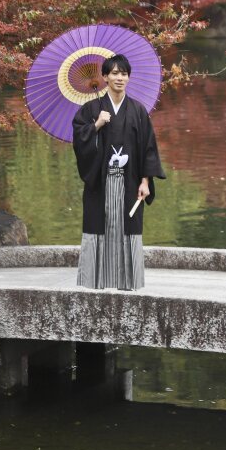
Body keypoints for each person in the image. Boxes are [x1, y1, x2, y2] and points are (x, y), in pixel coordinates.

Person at [72, 54, 165, 290]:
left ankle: (128, 282)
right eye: (114, 73)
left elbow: (148, 147)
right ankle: (96, 282)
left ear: (128, 77)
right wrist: (96, 125)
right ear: (104, 77)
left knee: (128, 228)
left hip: (130, 182)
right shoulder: (91, 109)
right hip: (100, 183)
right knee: (98, 226)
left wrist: (145, 181)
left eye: (123, 73)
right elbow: (79, 142)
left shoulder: (138, 110)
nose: (119, 78)